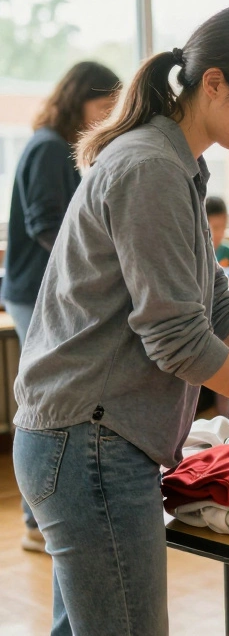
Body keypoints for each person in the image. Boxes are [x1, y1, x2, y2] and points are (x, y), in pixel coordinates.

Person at [12, 4, 229, 636]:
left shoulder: (177, 165)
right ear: (216, 82)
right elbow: (178, 341)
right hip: (89, 441)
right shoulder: (150, 167)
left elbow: (218, 310)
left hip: (88, 438)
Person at [2, 60, 120, 553]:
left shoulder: (54, 144)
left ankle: (39, 518)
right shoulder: (49, 146)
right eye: (101, 107)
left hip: (39, 286)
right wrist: (89, 269)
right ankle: (37, 521)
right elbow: (45, 223)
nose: (105, 118)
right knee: (46, 401)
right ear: (77, 100)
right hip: (34, 288)